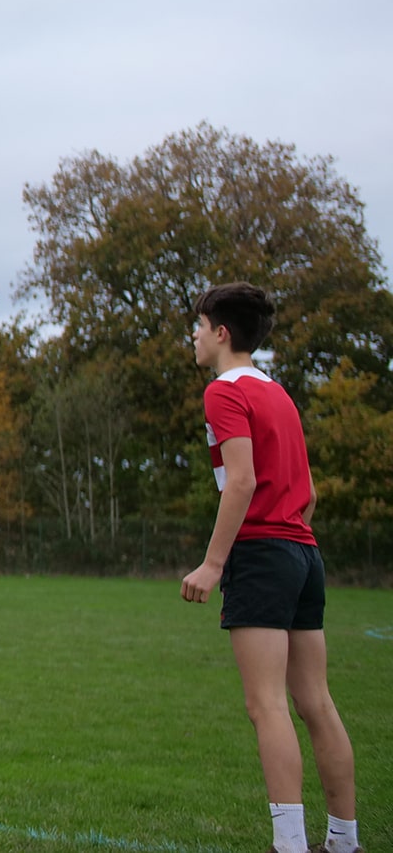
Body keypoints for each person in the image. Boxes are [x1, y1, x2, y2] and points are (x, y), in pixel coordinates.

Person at [182, 283, 359, 853]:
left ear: (221, 332)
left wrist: (214, 564)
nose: (195, 335)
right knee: (317, 702)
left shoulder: (222, 391)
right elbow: (307, 496)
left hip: (262, 554)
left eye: (199, 325)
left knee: (267, 705)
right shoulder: (279, 393)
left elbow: (242, 479)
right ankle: (343, 840)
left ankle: (288, 845)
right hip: (305, 555)